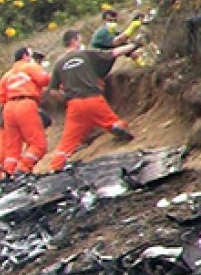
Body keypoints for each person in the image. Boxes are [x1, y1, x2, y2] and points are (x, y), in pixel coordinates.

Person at [47, 30, 139, 172]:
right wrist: (134, 45)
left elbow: (52, 91)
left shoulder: (59, 64)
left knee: (67, 142)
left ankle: (55, 165)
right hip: (93, 98)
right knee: (112, 121)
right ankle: (116, 127)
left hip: (74, 105)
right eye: (80, 39)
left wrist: (66, 98)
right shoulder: (86, 54)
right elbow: (114, 53)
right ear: (75, 40)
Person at [0, 47, 51, 179]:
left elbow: (1, 97)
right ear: (25, 56)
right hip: (25, 105)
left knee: (12, 150)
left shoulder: (7, 75)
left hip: (8, 109)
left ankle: (10, 172)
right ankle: (22, 169)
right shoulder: (29, 67)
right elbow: (45, 80)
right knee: (38, 145)